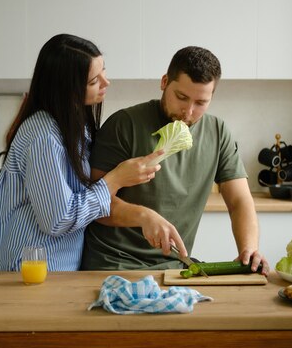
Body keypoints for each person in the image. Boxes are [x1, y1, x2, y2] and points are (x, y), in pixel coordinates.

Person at [0, 34, 168, 274]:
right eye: (94, 80)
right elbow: (58, 219)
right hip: (25, 272)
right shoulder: (44, 136)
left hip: (57, 270)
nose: (106, 82)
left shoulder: (76, 126)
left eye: (104, 71)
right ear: (66, 88)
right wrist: (116, 178)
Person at [81, 46, 269, 275]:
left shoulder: (218, 133)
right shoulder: (124, 124)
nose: (188, 112)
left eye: (201, 102)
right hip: (113, 262)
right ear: (164, 82)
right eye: (181, 97)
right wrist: (144, 217)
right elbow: (93, 204)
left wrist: (249, 249)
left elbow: (239, 200)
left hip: (175, 266)